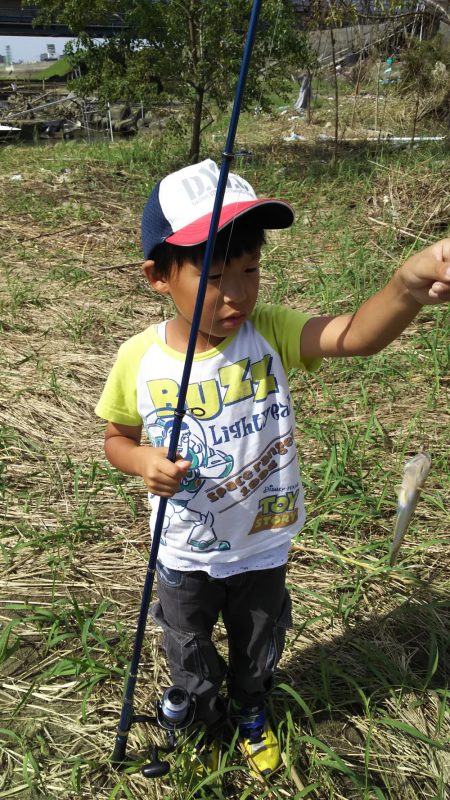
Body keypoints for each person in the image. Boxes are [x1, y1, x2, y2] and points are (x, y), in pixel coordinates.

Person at [95, 158, 450, 778]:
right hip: (184, 549)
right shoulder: (139, 359)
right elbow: (116, 437)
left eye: (250, 269)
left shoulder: (271, 332)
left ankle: (252, 708)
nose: (237, 291)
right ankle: (204, 718)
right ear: (158, 276)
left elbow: (354, 335)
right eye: (214, 274)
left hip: (263, 541)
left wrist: (406, 287)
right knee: (188, 645)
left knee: (258, 641)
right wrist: (142, 460)